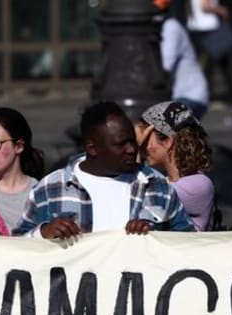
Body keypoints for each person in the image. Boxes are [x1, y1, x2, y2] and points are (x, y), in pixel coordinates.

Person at [12, 101, 194, 238]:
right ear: (92, 148)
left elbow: (189, 241)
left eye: (132, 141)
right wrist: (43, 233)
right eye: (121, 144)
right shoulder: (50, 188)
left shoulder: (157, 186)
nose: (131, 149)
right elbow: (16, 248)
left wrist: (155, 237)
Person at [136, 100, 215, 230]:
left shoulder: (199, 185)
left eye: (146, 140)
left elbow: (142, 197)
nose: (144, 147)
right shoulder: (164, 181)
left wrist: (136, 150)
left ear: (167, 141)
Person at [154, 0, 209, 118]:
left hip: (191, 97)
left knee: (160, 125)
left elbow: (165, 65)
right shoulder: (164, 28)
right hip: (179, 97)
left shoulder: (171, 28)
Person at [186, 0, 232, 105]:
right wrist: (222, 10)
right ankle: (231, 95)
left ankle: (203, 93)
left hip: (197, 28)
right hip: (208, 29)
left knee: (205, 65)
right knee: (221, 64)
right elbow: (205, 6)